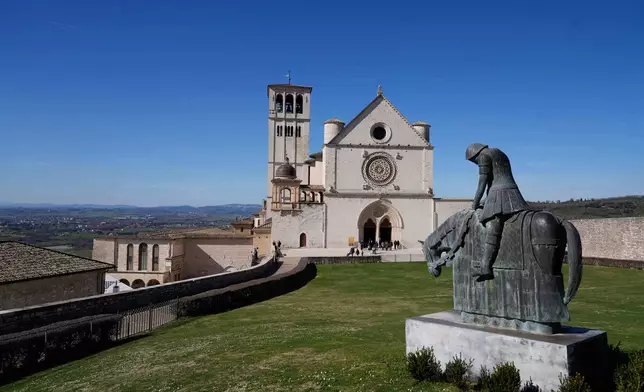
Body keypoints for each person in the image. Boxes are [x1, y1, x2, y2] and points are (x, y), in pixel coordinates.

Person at [466, 143, 531, 281]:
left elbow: (482, 183)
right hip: (512, 192)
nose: (476, 163)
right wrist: (485, 201)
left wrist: (475, 203)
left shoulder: (483, 156)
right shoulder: (499, 152)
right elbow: (497, 178)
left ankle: (485, 266)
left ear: (475, 155)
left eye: (473, 161)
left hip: (499, 194)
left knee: (492, 226)